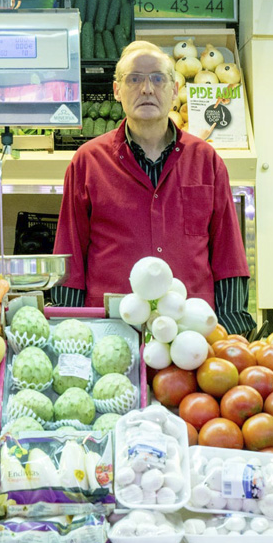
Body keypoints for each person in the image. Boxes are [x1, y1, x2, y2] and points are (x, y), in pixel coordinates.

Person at [51, 41, 255, 335]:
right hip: (112, 329)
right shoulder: (88, 161)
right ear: (117, 90)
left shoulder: (206, 160)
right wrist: (69, 327)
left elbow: (228, 255)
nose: (147, 88)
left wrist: (232, 333)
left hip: (191, 331)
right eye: (134, 79)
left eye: (158, 78)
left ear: (174, 90)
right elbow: (69, 253)